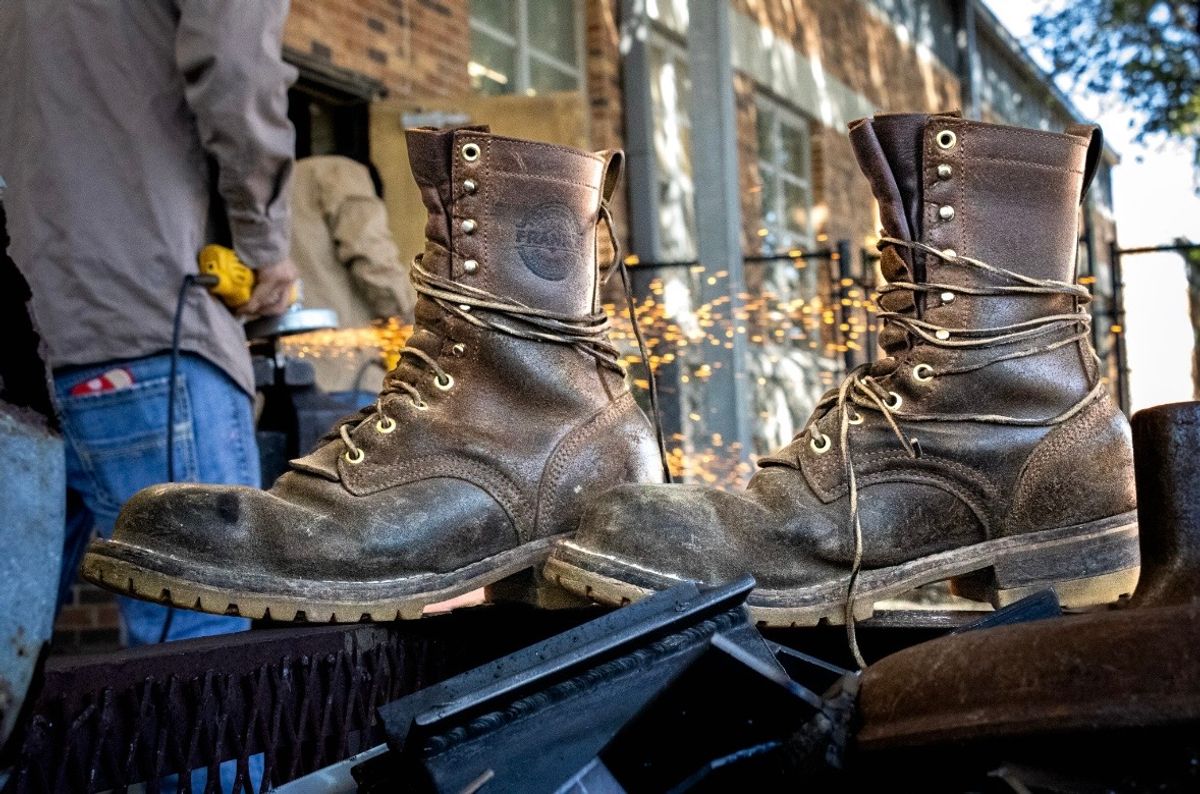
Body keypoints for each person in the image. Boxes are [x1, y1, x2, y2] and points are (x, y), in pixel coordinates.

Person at [0, 0, 297, 649]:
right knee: (199, 669)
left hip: (21, 347)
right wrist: (265, 244)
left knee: (10, 676)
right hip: (143, 326)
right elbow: (236, 65)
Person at [289, 155, 416, 399]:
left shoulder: (271, 188)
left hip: (269, 381)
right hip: (343, 378)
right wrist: (416, 318)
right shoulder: (341, 174)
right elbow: (373, 260)